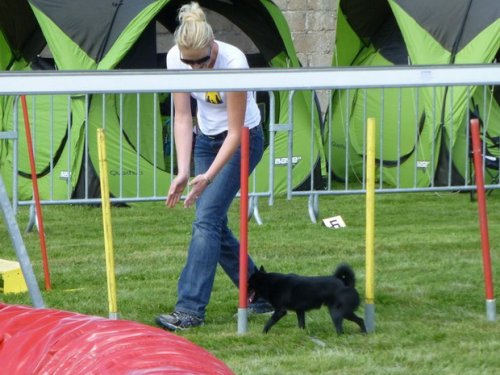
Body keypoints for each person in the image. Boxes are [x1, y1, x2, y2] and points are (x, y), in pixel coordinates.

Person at [155, 1, 271, 331]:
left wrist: (207, 176)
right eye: (188, 63)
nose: (195, 70)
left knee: (206, 220)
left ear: (212, 46)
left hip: (244, 139)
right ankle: (259, 291)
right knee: (213, 222)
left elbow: (236, 132)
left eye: (202, 62)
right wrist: (183, 170)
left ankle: (189, 310)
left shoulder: (234, 62)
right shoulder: (175, 58)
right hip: (207, 139)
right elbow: (181, 116)